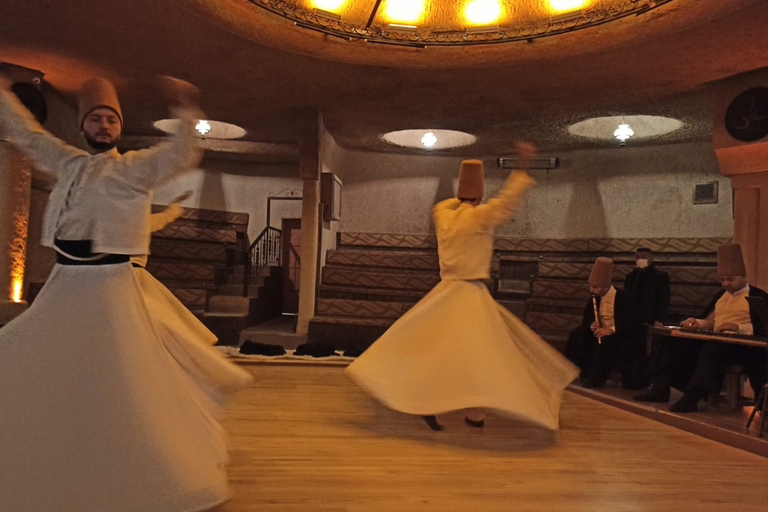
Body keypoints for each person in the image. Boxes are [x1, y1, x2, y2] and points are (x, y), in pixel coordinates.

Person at [0, 74, 233, 512]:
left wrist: (186, 110)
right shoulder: (66, 161)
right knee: (40, 361)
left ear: (119, 128)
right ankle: (58, 443)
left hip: (108, 283)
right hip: (65, 281)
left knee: (118, 376)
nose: (104, 125)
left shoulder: (134, 168)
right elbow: (26, 134)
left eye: (111, 119)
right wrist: (3, 96)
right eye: (96, 119)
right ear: (85, 126)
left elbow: (181, 153)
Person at [345, 144, 579, 431]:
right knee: (480, 354)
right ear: (479, 196)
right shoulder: (478, 217)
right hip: (469, 294)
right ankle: (472, 412)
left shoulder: (444, 216)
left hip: (445, 291)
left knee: (446, 352)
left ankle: (460, 409)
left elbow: (444, 205)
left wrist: (465, 195)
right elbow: (506, 202)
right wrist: (522, 169)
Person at [133, 193, 253, 412]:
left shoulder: (134, 219)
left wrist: (172, 212)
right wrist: (172, 211)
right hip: (129, 278)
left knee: (160, 329)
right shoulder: (134, 219)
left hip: (130, 278)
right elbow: (156, 221)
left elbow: (155, 222)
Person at [635, 243, 768, 412]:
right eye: (722, 280)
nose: (726, 284)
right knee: (672, 342)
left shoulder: (757, 296)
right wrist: (698, 323)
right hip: (717, 340)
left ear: (742, 276)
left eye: (730, 279)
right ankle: (660, 388)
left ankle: (693, 397)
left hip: (744, 348)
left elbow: (764, 327)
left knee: (712, 349)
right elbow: (712, 322)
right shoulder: (721, 296)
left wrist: (738, 327)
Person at [565, 257, 648, 389]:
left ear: (605, 286)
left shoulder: (625, 298)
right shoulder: (594, 298)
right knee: (576, 335)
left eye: (595, 287)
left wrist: (611, 330)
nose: (591, 290)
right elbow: (587, 320)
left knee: (607, 341)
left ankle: (596, 379)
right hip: (600, 332)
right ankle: (575, 371)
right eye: (591, 286)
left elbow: (633, 322)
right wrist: (591, 326)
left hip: (620, 334)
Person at [623, 247, 670, 327]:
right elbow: (625, 297)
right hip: (632, 317)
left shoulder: (660, 276)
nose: (640, 260)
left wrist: (659, 319)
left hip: (650, 318)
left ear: (651, 259)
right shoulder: (631, 276)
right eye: (637, 257)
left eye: (643, 257)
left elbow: (664, 299)